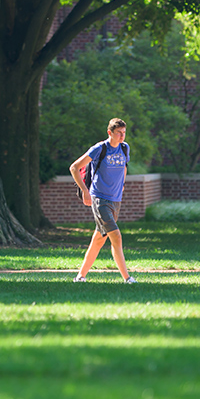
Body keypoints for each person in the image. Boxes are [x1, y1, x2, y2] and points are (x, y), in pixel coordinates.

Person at [70, 118, 136, 283]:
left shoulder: (124, 148)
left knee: (99, 239)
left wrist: (122, 185)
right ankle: (127, 278)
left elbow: (124, 168)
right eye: (118, 133)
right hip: (100, 199)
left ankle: (80, 277)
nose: (122, 136)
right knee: (116, 236)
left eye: (124, 133)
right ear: (110, 133)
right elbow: (74, 167)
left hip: (116, 200)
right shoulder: (100, 149)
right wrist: (85, 192)